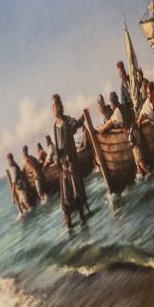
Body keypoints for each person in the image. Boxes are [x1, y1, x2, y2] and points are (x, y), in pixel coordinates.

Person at [50, 94, 90, 226]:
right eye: (54, 106)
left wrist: (84, 116)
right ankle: (69, 227)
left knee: (77, 195)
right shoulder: (55, 127)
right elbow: (56, 148)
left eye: (57, 105)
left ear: (61, 107)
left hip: (71, 163)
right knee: (66, 202)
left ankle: (83, 220)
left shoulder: (68, 121)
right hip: (63, 166)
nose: (56, 108)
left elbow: (77, 124)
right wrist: (59, 162)